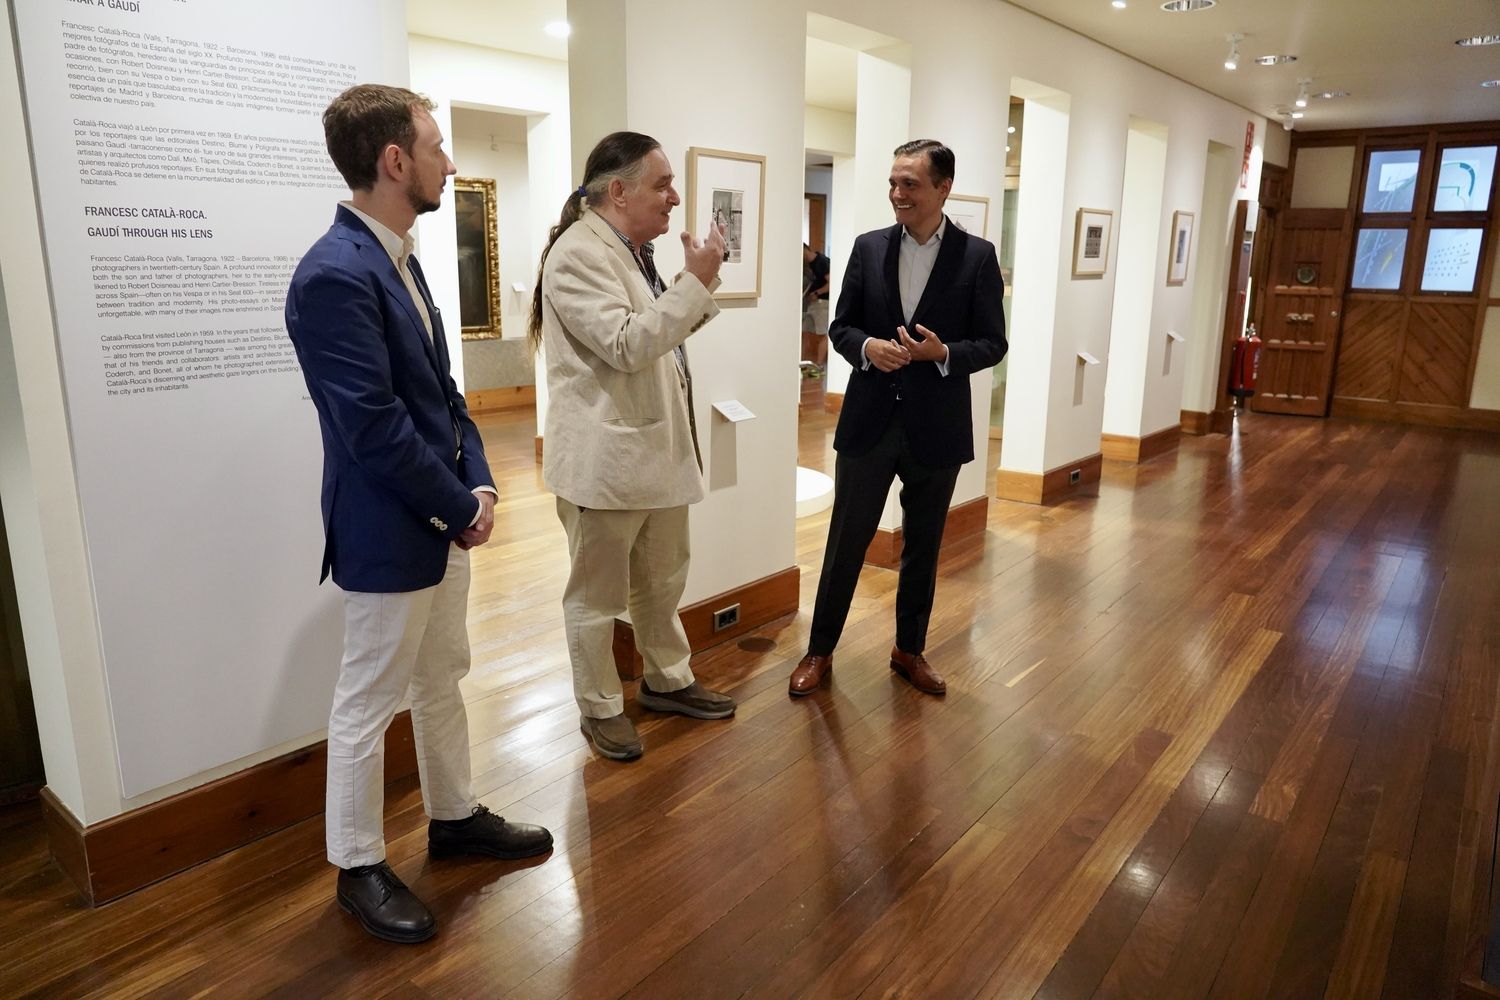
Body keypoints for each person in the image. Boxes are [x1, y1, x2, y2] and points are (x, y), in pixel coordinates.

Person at [285, 84, 552, 945]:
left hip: (441, 517)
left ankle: (452, 816)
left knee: (443, 677)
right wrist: (454, 505)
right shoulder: (333, 275)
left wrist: (481, 486)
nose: (449, 162)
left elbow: (442, 395)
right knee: (367, 700)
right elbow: (373, 429)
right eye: (437, 147)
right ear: (395, 161)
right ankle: (357, 866)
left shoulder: (401, 257)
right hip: (388, 526)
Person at [530, 131, 737, 761]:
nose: (674, 197)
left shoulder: (626, 249)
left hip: (652, 454)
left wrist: (694, 287)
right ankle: (598, 706)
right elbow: (626, 344)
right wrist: (694, 284)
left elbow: (657, 337)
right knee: (596, 597)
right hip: (606, 463)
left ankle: (667, 679)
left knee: (661, 579)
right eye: (662, 184)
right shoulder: (577, 255)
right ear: (618, 191)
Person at [789, 139, 1007, 699]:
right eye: (893, 182)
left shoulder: (977, 256)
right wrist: (868, 350)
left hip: (937, 427)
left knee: (924, 545)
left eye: (910, 183)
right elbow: (841, 327)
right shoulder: (866, 248)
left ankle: (910, 650)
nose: (897, 193)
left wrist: (943, 355)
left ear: (942, 188)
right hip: (869, 420)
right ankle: (819, 651)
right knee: (845, 542)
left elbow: (992, 343)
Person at [801, 242, 831, 373]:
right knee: (805, 333)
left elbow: (832, 281)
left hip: (822, 303)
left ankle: (819, 367)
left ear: (804, 249)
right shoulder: (808, 266)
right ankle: (802, 364)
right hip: (812, 304)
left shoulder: (822, 261)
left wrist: (817, 293)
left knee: (821, 334)